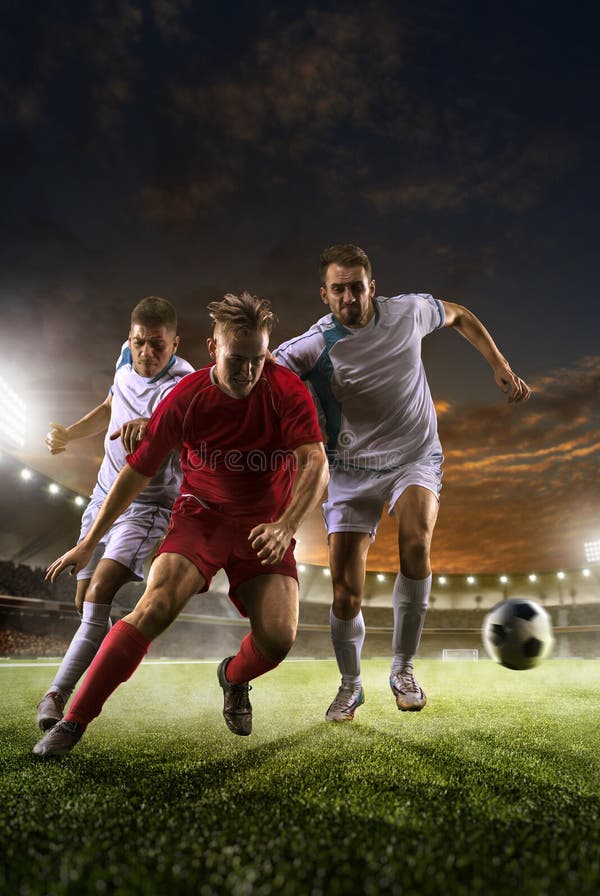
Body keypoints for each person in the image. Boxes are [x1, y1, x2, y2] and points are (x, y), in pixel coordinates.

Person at [34, 292, 328, 758]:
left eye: (259, 359)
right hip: (201, 519)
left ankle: (232, 678)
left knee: (278, 638)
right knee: (154, 606)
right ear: (213, 350)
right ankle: (72, 723)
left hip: (264, 528)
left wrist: (287, 524)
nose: (249, 371)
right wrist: (89, 541)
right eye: (238, 359)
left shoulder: (285, 389)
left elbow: (316, 463)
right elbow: (136, 472)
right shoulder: (186, 398)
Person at [274, 244, 532, 721]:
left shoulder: (408, 311)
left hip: (415, 456)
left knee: (416, 542)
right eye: (339, 289)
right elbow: (260, 376)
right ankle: (350, 686)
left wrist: (498, 364)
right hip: (350, 471)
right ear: (325, 295)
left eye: (357, 286)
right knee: (344, 592)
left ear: (373, 286)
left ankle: (403, 668)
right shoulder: (312, 345)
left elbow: (459, 315)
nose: (349, 297)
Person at [36, 296, 194, 731]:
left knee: (98, 590)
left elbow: (191, 443)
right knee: (85, 603)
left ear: (175, 344)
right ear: (129, 338)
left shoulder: (183, 385)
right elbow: (110, 406)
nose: (147, 353)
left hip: (146, 505)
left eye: (157, 345)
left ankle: (56, 698)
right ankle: (117, 652)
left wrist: (155, 425)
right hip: (101, 496)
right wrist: (69, 433)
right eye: (140, 342)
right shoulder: (124, 360)